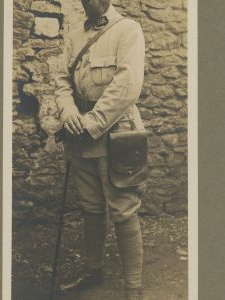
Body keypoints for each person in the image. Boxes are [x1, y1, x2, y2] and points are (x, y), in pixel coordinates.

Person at [55, 0, 146, 299]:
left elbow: (127, 86)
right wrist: (68, 114)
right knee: (91, 207)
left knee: (123, 209)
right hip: (79, 133)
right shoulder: (75, 37)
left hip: (116, 135)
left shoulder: (128, 30)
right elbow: (61, 81)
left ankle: (133, 289)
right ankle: (94, 270)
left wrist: (90, 124)